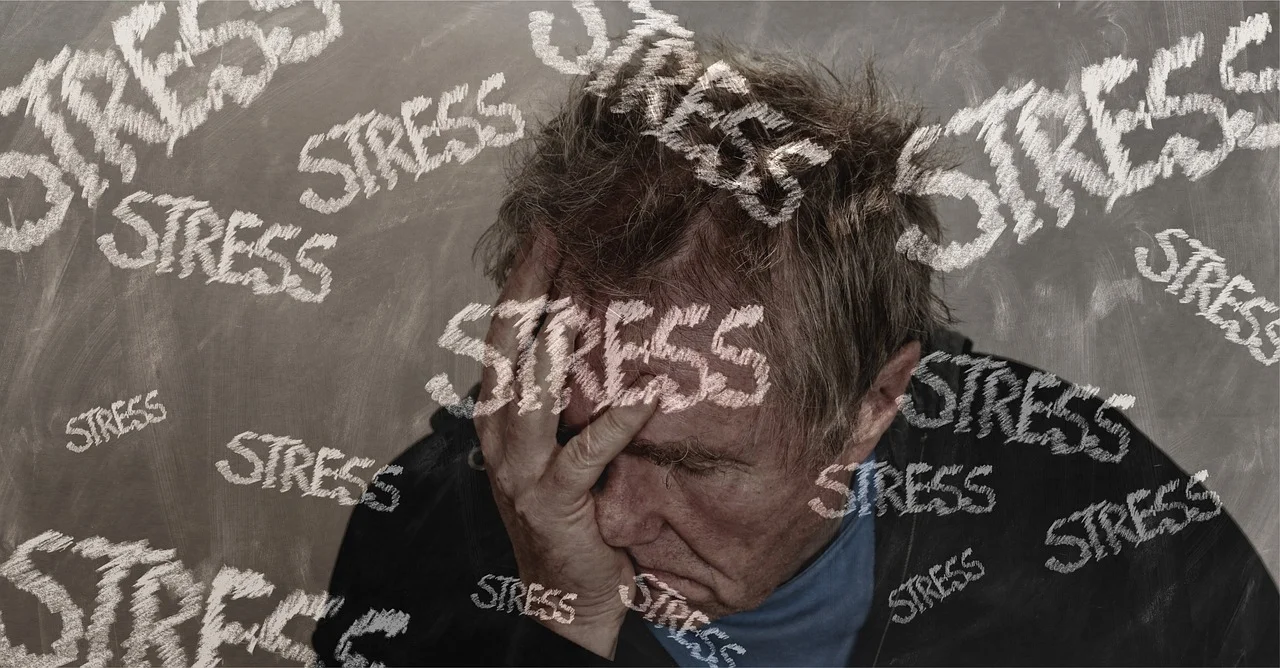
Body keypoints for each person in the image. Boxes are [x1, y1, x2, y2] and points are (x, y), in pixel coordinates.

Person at [312, 40, 1278, 667]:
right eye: (573, 433)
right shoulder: (435, 530)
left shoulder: (1101, 516)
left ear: (870, 406)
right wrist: (561, 621)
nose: (603, 512)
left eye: (691, 461)